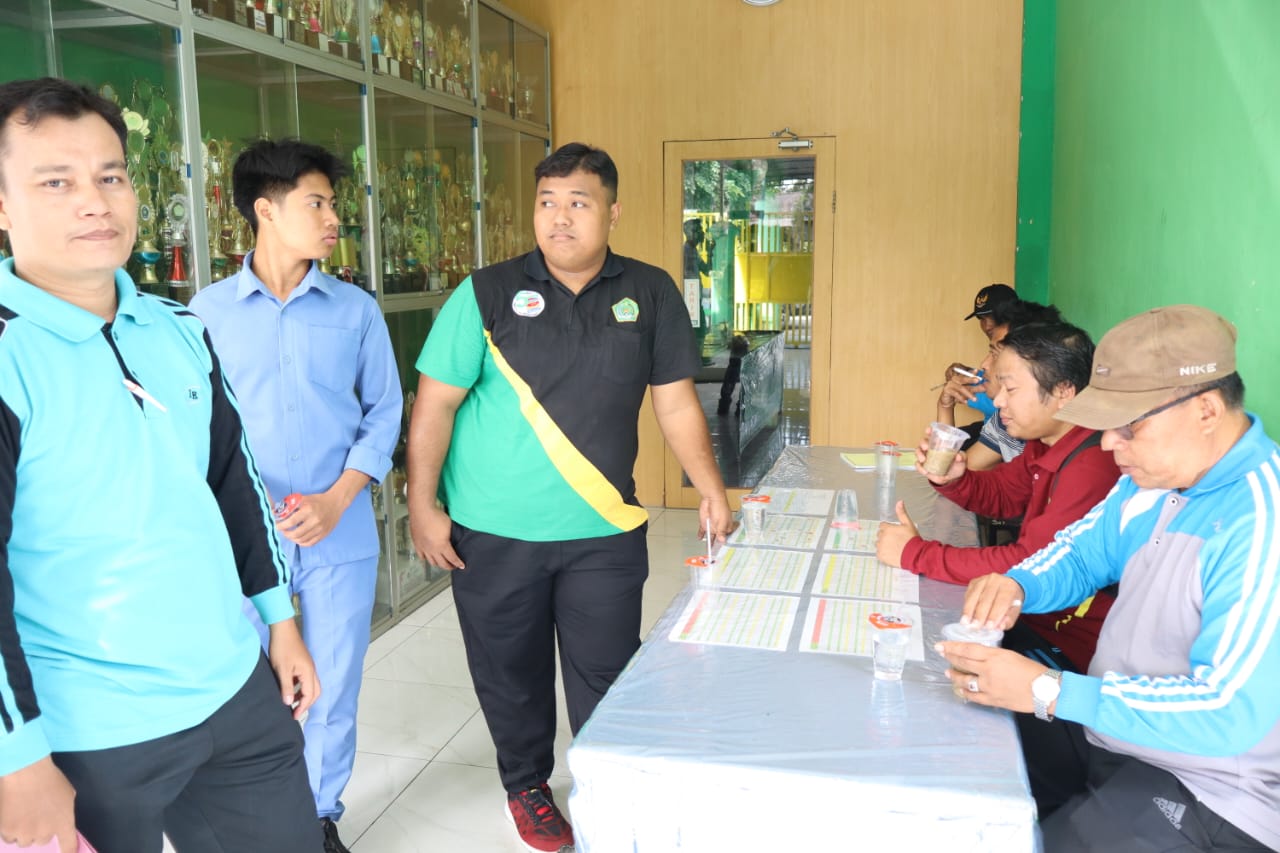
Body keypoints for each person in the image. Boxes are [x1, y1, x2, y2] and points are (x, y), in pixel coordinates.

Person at [0, 78, 320, 853]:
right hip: (86, 731)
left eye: (110, 176)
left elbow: (233, 482)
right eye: (56, 182)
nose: (95, 202)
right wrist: (15, 756)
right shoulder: (9, 356)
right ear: (2, 206)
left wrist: (281, 622)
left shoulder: (178, 327)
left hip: (234, 690)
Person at [406, 142, 734, 853]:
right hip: (493, 531)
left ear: (612, 213)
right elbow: (435, 404)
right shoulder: (485, 293)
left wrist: (710, 487)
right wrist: (422, 504)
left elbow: (675, 402)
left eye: (578, 203)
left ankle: (607, 790)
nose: (559, 218)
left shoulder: (650, 292)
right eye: (547, 203)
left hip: (603, 529)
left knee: (608, 672)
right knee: (510, 671)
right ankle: (527, 786)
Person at [939, 305, 1279, 852]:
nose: (1106, 445)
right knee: (962, 768)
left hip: (1212, 792)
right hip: (1117, 734)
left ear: (1207, 411)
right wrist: (1018, 584)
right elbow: (1079, 554)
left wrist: (1048, 690)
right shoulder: (1154, 480)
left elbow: (1227, 710)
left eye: (1129, 427)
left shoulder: (1261, 522)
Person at [189, 138, 402, 853]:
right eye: (317, 203)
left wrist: (339, 497)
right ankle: (264, 821)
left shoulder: (356, 311)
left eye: (333, 204)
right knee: (254, 690)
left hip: (340, 531)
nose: (334, 218)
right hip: (246, 542)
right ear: (266, 210)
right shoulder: (205, 314)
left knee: (333, 686)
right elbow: (198, 428)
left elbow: (384, 413)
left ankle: (318, 818)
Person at [880, 321, 1119, 672]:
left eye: (1010, 388)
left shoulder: (1092, 464)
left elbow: (1028, 564)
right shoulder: (1046, 441)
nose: (997, 400)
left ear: (1064, 391)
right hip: (1029, 618)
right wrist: (955, 480)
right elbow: (1005, 494)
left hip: (1069, 648)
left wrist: (916, 554)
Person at [937, 299, 1063, 471]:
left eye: (996, 354)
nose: (984, 364)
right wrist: (945, 406)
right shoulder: (1006, 417)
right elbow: (952, 471)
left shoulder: (1060, 438)